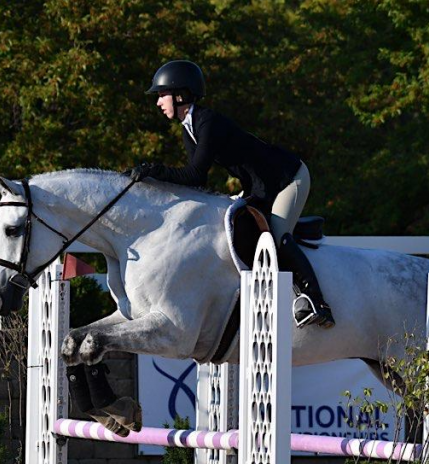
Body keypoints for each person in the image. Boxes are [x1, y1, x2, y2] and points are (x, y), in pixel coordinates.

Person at [129, 60, 334, 329]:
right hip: (260, 184)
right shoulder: (189, 130)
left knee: (275, 232)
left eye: (161, 95)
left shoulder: (207, 122)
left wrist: (155, 171)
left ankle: (317, 302)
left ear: (180, 95)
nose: (158, 102)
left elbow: (193, 175)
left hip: (288, 177)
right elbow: (196, 182)